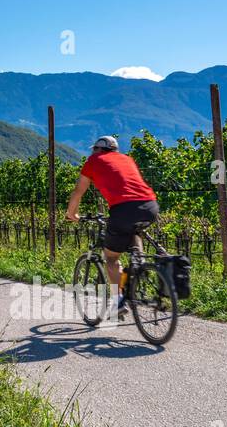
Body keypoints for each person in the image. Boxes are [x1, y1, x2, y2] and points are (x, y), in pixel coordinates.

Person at [64, 135, 159, 320]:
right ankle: (137, 266)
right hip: (150, 206)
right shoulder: (127, 158)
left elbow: (78, 191)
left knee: (111, 258)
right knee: (133, 232)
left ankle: (118, 301)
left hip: (123, 210)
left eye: (94, 149)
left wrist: (71, 214)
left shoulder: (93, 161)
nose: (92, 152)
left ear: (98, 149)